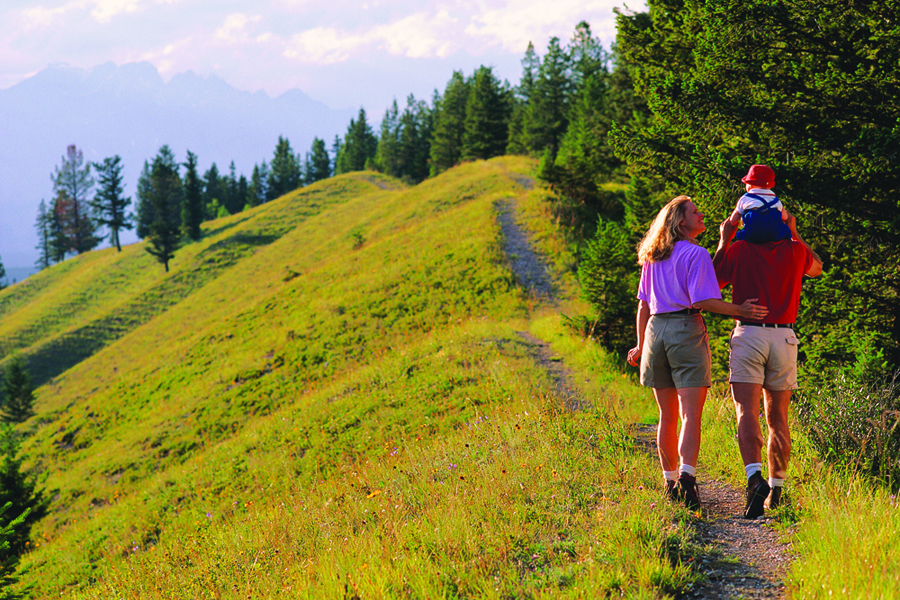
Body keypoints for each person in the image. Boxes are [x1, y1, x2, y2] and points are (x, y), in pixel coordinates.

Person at [626, 195, 767, 510]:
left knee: (667, 415)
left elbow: (643, 305)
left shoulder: (652, 256)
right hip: (685, 331)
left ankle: (670, 480)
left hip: (654, 332)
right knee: (691, 413)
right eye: (695, 212)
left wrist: (640, 343)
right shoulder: (695, 254)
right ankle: (688, 481)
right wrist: (738, 308)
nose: (701, 214)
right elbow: (703, 300)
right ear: (680, 222)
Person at [713, 211, 823, 518]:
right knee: (778, 417)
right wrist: (795, 233)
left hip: (748, 334)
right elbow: (817, 269)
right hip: (784, 336)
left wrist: (724, 239)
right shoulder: (794, 250)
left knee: (746, 410)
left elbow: (713, 282)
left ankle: (754, 478)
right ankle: (776, 490)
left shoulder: (739, 249)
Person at [726, 164, 792, 244]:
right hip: (775, 235)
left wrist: (731, 222)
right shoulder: (775, 199)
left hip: (752, 235)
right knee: (785, 232)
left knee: (741, 235)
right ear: (770, 186)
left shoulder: (745, 198)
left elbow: (735, 217)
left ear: (750, 185)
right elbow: (785, 217)